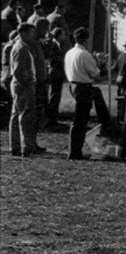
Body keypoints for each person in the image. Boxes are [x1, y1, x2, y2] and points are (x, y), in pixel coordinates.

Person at [65, 27, 114, 160]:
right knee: (80, 120)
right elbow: (96, 75)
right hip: (83, 87)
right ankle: (75, 152)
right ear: (86, 40)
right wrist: (103, 65)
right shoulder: (84, 54)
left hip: (73, 85)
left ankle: (105, 121)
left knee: (79, 118)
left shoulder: (69, 53)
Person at [9, 22, 45, 156]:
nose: (33, 35)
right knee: (25, 116)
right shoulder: (21, 48)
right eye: (31, 33)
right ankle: (26, 147)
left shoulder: (22, 47)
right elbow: (18, 71)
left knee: (17, 114)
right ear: (23, 33)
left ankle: (16, 146)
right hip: (23, 85)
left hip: (20, 84)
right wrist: (27, 83)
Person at [24, 17, 50, 131]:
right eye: (46, 29)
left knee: (41, 107)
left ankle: (35, 134)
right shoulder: (31, 42)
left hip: (41, 78)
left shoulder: (38, 41)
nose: (47, 32)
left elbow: (45, 56)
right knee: (34, 109)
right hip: (36, 80)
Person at [45, 27, 66, 125]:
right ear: (59, 35)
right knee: (55, 95)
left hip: (57, 72)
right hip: (55, 72)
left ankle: (53, 116)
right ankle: (51, 118)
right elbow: (52, 57)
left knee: (56, 95)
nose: (64, 36)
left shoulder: (57, 44)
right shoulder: (53, 44)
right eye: (63, 34)